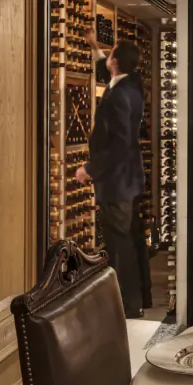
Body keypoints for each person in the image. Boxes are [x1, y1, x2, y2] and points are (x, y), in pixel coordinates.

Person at [75, 31, 146, 318]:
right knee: (129, 239)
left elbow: (119, 143)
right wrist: (94, 47)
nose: (108, 55)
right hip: (129, 179)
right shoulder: (130, 85)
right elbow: (110, 79)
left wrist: (89, 168)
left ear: (115, 62)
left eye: (110, 52)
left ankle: (127, 305)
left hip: (117, 181)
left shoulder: (119, 97)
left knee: (119, 245)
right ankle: (137, 300)